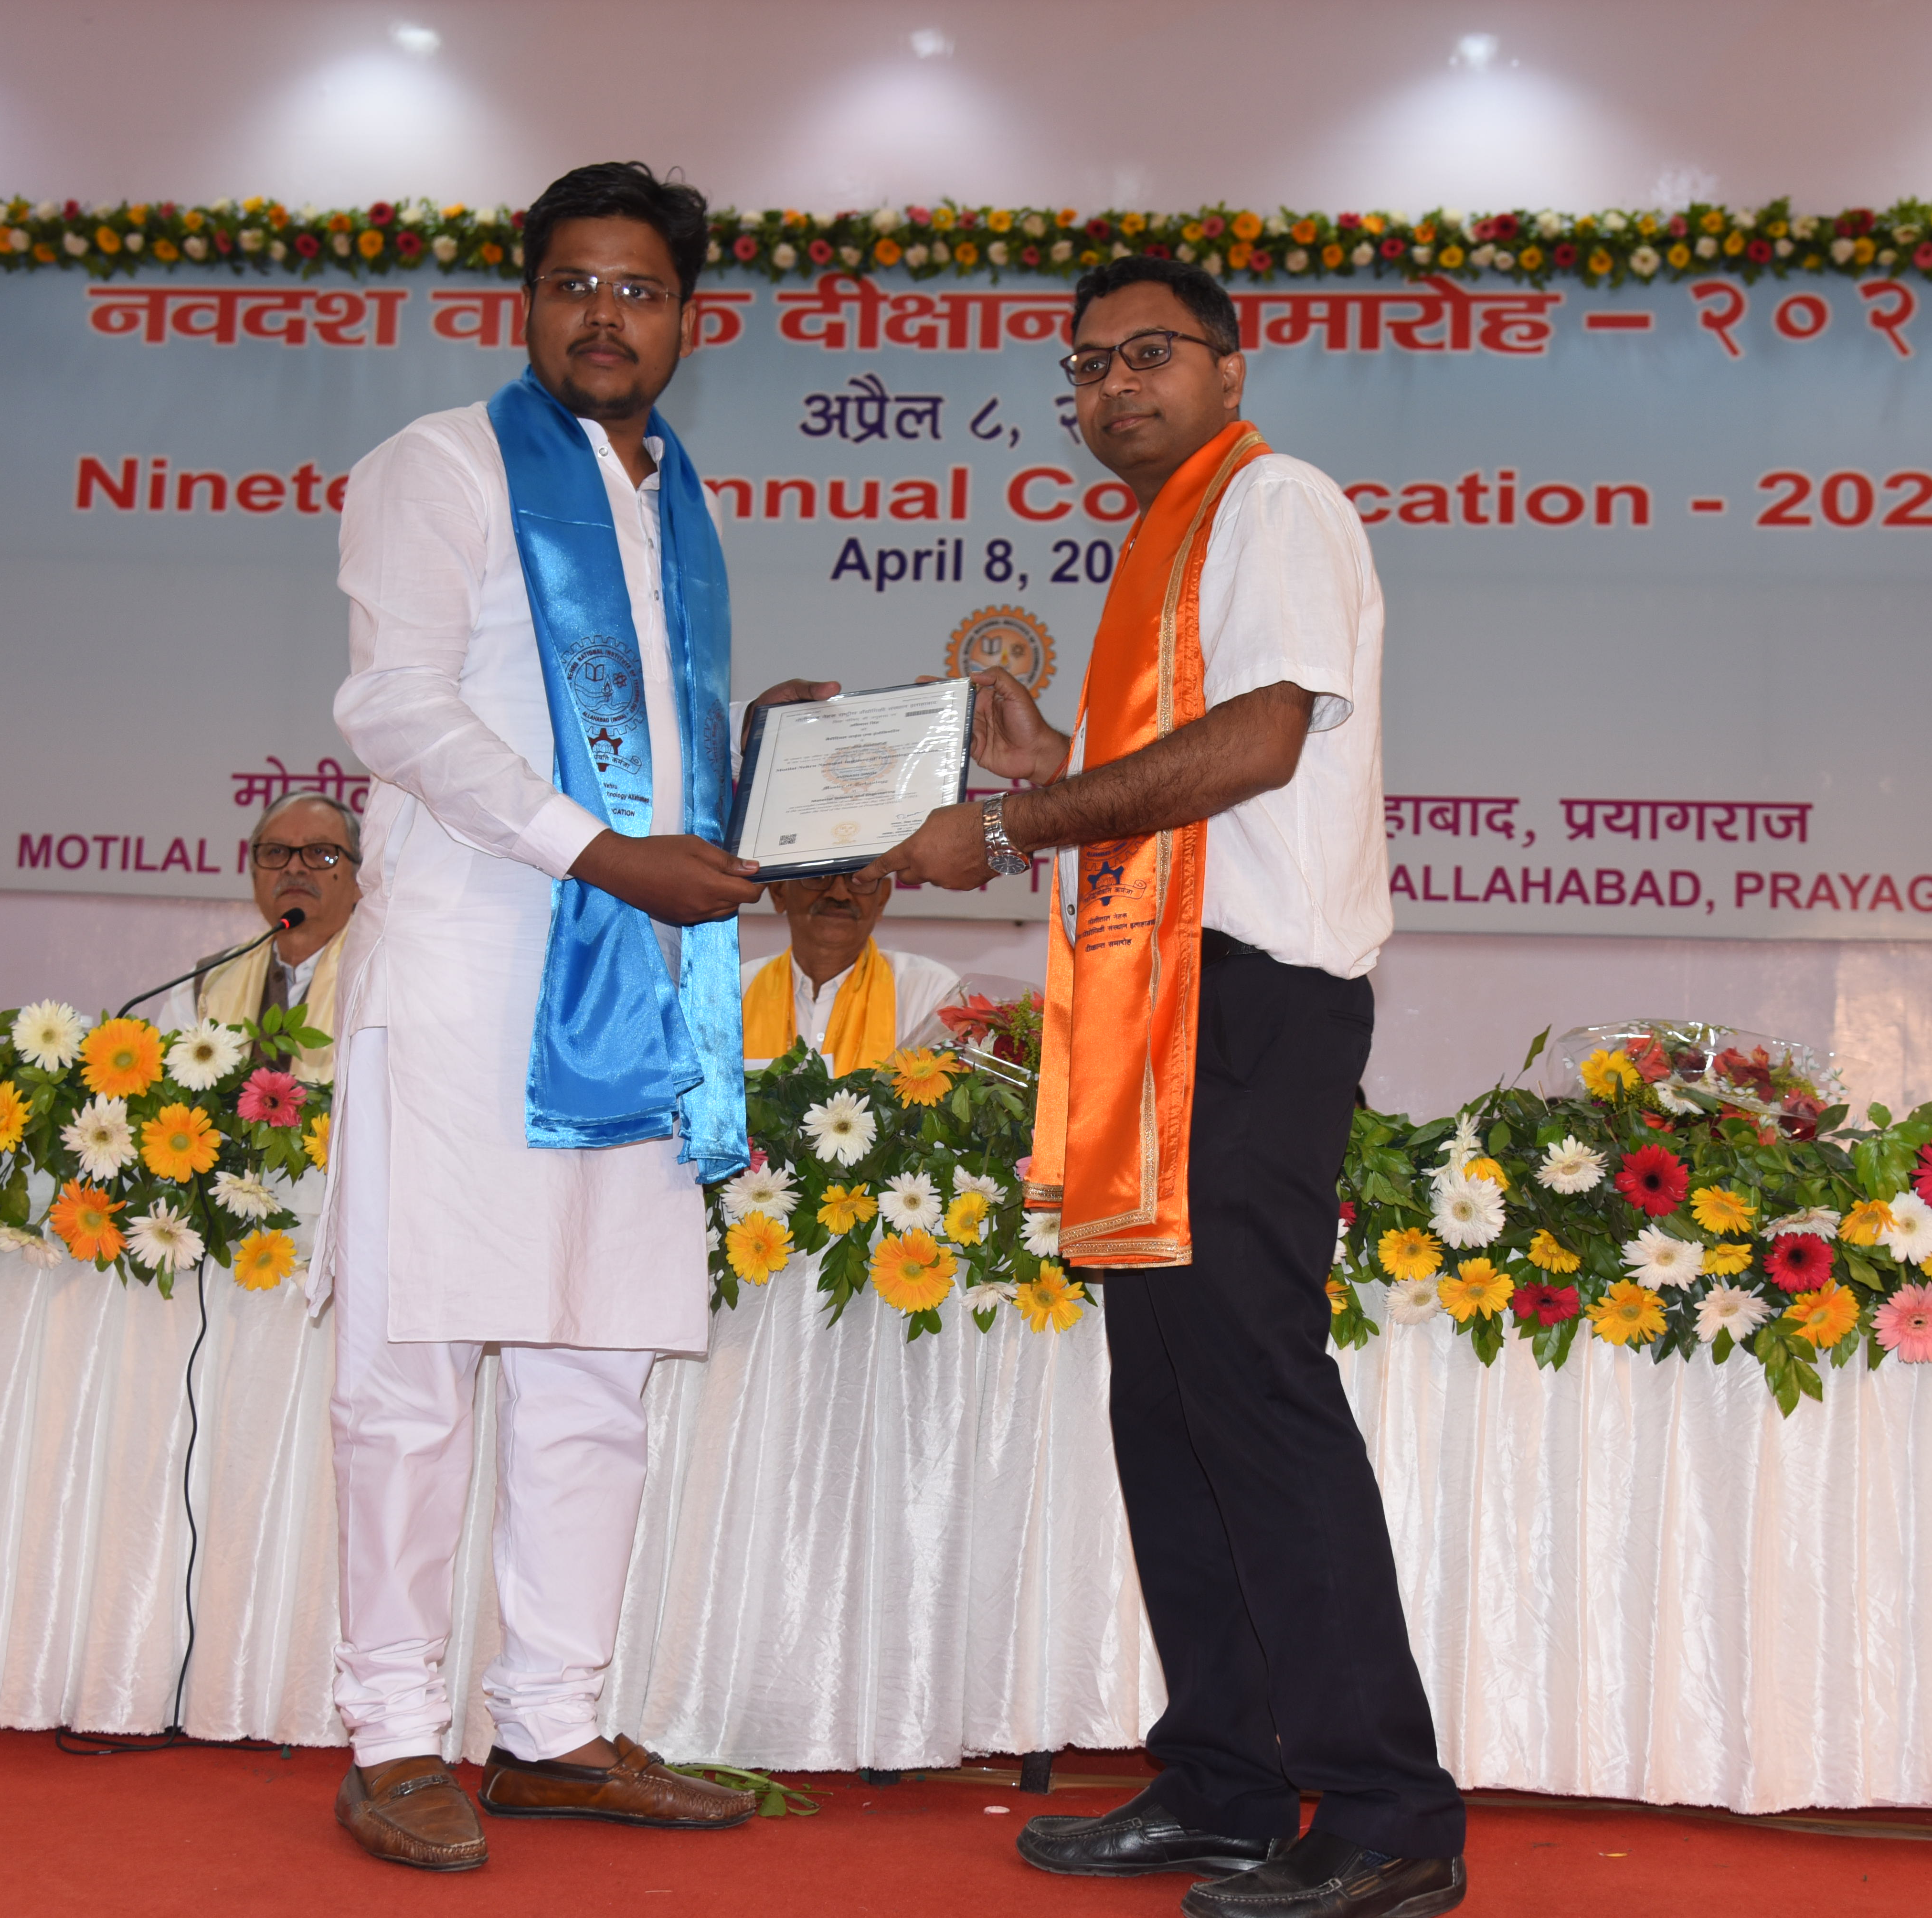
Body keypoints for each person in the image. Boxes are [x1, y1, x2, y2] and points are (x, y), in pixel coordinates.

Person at [868, 257, 1465, 1918]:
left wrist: (1004, 827)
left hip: (1251, 1004)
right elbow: (1186, 791)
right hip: (1162, 1000)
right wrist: (1051, 764)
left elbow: (1257, 745)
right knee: (1171, 1403)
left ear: (1229, 367)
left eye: (1149, 353)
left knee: (1251, 1393)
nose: (1112, 386)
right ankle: (1222, 1780)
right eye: (1086, 365)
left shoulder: (1272, 503)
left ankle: (1385, 1811)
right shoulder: (1164, 543)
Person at [321, 160, 838, 1873]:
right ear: (524, 301)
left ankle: (550, 1724)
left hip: (631, 988)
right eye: (574, 286)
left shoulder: (673, 498)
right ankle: (393, 1734)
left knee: (593, 1368)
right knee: (413, 1374)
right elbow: (395, 708)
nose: (604, 318)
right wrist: (603, 853)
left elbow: (636, 754)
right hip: (468, 980)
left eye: (639, 291)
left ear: (690, 320)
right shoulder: (441, 466)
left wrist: (764, 753)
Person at [152, 791, 360, 1079]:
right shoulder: (207, 984)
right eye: (275, 852)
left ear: (360, 881)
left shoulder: (386, 979)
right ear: (254, 878)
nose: (294, 867)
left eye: (319, 852)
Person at [739, 868, 964, 1072]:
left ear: (882, 899)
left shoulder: (932, 994)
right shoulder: (735, 990)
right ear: (779, 892)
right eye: (819, 876)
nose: (840, 895)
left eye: (859, 878)